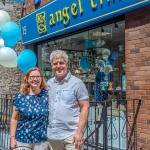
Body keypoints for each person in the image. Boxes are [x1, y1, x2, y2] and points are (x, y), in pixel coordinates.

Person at [47, 50, 90, 150]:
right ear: (52, 66)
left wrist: (79, 131)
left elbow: (85, 106)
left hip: (71, 135)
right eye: (55, 64)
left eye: (61, 63)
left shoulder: (77, 83)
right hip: (52, 136)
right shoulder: (49, 84)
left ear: (67, 64)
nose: (58, 66)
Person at [10, 68, 49, 150]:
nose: (35, 79)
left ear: (41, 78)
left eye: (38, 76)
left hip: (41, 141)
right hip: (22, 140)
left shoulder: (47, 95)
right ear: (27, 79)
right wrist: (12, 138)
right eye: (32, 77)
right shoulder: (20, 96)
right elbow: (14, 119)